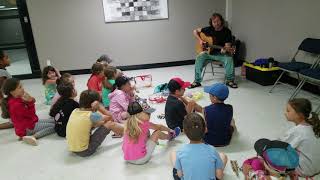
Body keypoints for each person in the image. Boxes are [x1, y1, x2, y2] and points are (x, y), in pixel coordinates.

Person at [66, 90, 124, 157]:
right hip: (85, 151)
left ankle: (121, 132)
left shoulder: (75, 111)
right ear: (95, 103)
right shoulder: (91, 115)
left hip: (73, 148)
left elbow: (96, 123)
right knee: (110, 124)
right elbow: (111, 117)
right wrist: (99, 107)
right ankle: (130, 133)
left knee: (101, 123)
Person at [170, 113, 228, 180]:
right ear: (205, 130)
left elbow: (179, 174)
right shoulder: (212, 150)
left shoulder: (181, 151)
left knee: (173, 153)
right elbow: (219, 176)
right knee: (223, 156)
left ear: (185, 132)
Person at [122, 100, 180, 165]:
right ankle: (170, 136)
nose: (150, 115)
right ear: (138, 114)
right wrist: (170, 130)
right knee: (157, 133)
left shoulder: (127, 124)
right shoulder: (145, 124)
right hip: (141, 159)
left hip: (127, 158)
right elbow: (159, 127)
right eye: (147, 113)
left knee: (145, 133)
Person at [190, 12, 238, 89]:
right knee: (199, 57)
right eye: (214, 22)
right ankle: (197, 81)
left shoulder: (227, 31)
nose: (216, 23)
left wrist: (225, 49)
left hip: (220, 54)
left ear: (221, 21)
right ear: (211, 23)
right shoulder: (208, 29)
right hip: (208, 53)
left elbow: (227, 46)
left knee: (229, 59)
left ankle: (230, 80)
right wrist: (200, 40)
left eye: (218, 21)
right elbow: (195, 31)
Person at [1, 78, 55, 145]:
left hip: (30, 123)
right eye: (20, 87)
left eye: (22, 86)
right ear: (12, 92)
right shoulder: (16, 105)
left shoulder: (17, 98)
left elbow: (33, 102)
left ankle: (25, 135)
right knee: (55, 126)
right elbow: (31, 114)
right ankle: (33, 136)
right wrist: (30, 103)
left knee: (54, 121)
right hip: (28, 127)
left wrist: (30, 100)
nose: (23, 89)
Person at [280, 98, 320, 177]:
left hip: (305, 170)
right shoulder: (313, 126)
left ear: (299, 115)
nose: (285, 113)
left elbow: (281, 146)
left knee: (276, 155)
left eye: (288, 111)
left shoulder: (297, 131)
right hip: (316, 167)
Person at [0, 50, 13, 129]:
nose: (9, 59)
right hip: (6, 100)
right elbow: (5, 89)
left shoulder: (3, 71)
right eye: (6, 57)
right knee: (14, 122)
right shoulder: (1, 73)